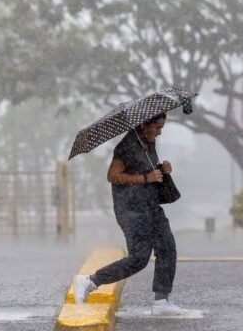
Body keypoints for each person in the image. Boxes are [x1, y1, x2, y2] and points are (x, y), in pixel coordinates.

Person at [73, 112, 187, 315]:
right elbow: (113, 176)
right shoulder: (126, 146)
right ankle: (89, 281)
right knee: (139, 259)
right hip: (131, 210)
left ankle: (161, 302)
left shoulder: (149, 143)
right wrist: (145, 178)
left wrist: (162, 169)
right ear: (145, 124)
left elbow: (149, 171)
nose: (159, 132)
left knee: (167, 248)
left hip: (151, 207)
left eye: (162, 128)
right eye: (157, 127)